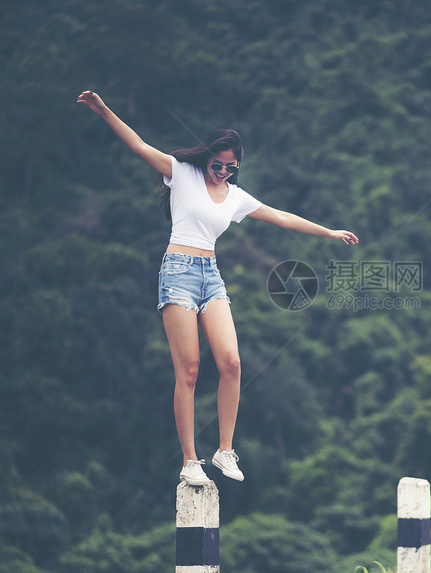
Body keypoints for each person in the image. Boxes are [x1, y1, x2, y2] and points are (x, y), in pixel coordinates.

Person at [77, 90, 358, 484]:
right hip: (177, 272)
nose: (222, 171)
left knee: (232, 363)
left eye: (230, 167)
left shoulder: (235, 197)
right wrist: (104, 110)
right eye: (218, 164)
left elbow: (279, 216)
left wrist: (328, 232)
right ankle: (191, 462)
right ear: (207, 156)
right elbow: (139, 146)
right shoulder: (181, 172)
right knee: (188, 370)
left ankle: (225, 451)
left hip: (211, 277)